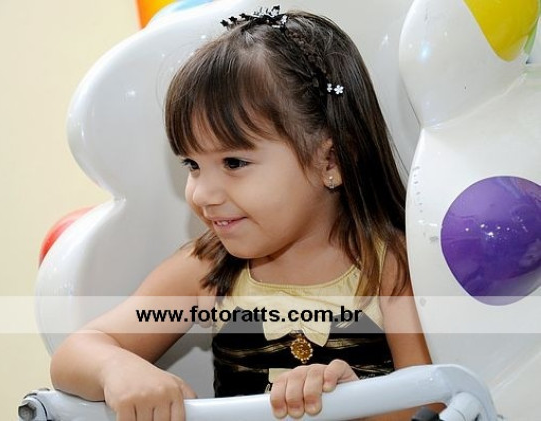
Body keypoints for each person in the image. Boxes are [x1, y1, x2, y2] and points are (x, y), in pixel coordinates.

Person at [50, 6, 435, 421]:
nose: (202, 193)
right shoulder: (207, 270)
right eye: (193, 165)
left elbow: (432, 405)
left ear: (331, 160)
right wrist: (117, 368)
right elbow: (77, 351)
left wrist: (353, 399)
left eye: (233, 162)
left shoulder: (390, 267)